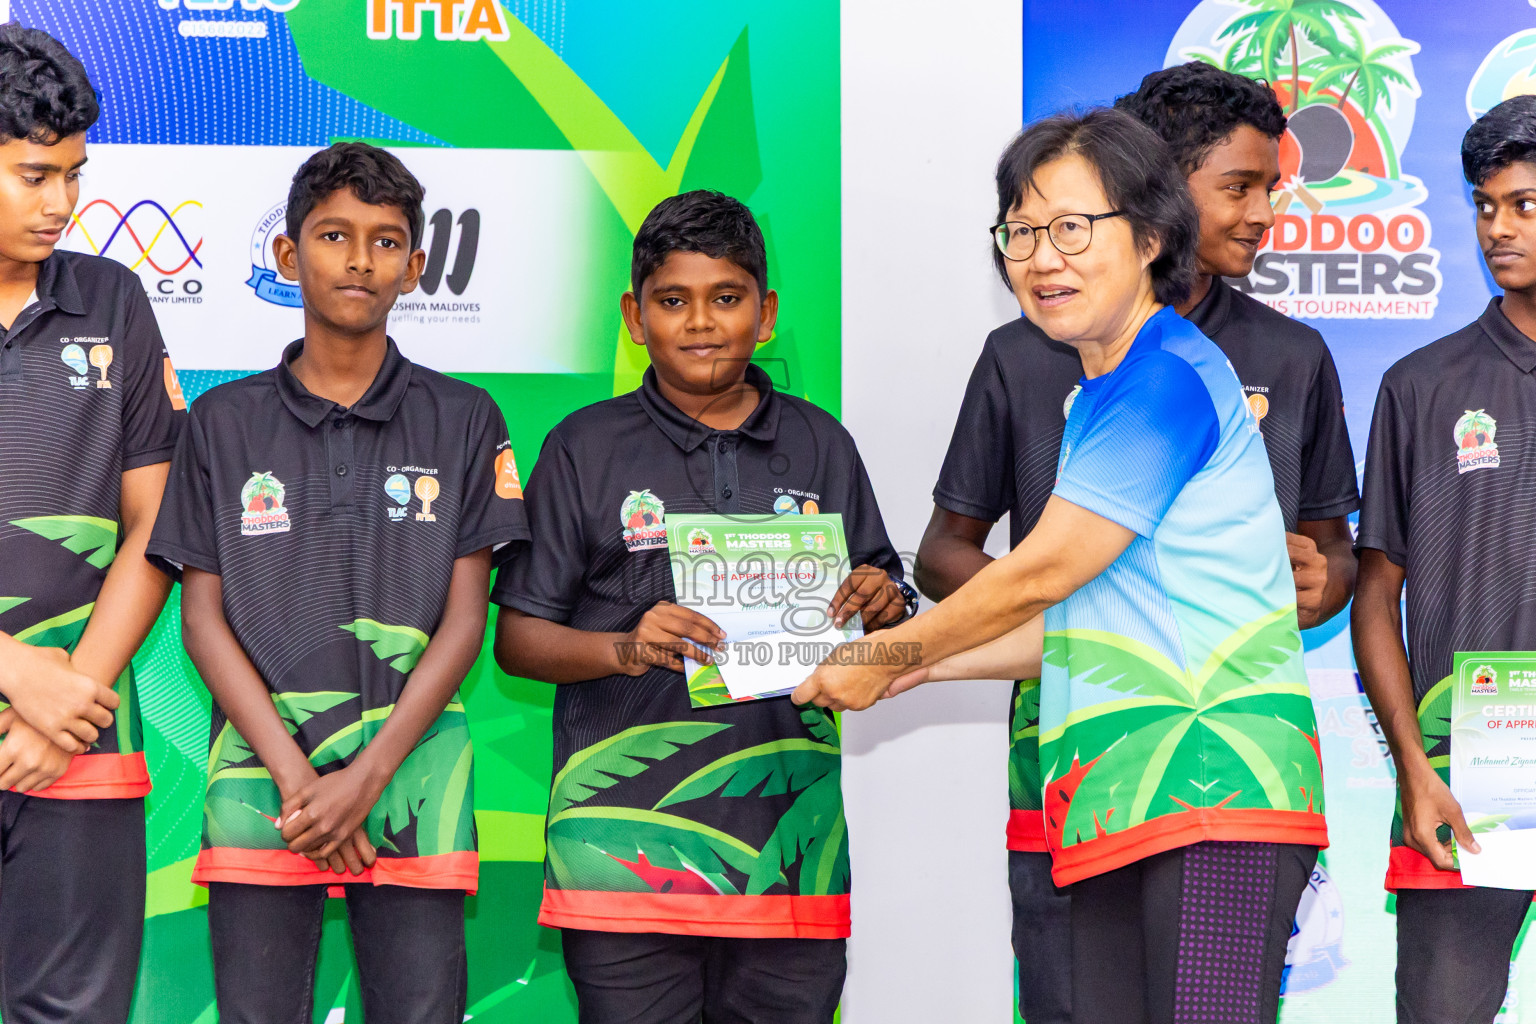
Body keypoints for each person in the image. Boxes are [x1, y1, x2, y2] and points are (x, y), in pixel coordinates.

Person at [797, 108, 1327, 1024]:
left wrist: (881, 657)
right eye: (1022, 231)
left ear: (1153, 236)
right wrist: (914, 670)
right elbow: (1086, 629)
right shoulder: (1100, 397)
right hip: (1119, 805)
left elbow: (1042, 571)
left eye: (1074, 228)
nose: (1044, 258)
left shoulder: (1164, 379)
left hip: (1215, 794)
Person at [493, 189, 913, 1024]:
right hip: (622, 858)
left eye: (726, 298)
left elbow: (887, 600)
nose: (700, 323)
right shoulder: (584, 446)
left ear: (766, 314)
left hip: (790, 853)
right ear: (633, 315)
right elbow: (518, 640)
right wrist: (624, 647)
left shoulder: (821, 442)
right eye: (672, 300)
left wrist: (884, 603)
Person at [145, 142, 529, 1024]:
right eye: (334, 235)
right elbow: (201, 620)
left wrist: (368, 776)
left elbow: (466, 622)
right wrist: (297, 778)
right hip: (260, 789)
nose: (360, 260)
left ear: (416, 266)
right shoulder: (222, 421)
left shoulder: (466, 419)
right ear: (288, 255)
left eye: (386, 241)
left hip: (416, 786)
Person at [0, 24, 186, 1024]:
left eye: (73, 174)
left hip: (76, 733)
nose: (63, 203)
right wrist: (13, 670)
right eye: (34, 175)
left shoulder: (112, 299)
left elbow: (155, 518)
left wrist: (67, 689)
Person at [1353, 93, 1536, 1024]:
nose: (1499, 228)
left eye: (1526, 205)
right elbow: (1375, 597)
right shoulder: (1420, 386)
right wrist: (1410, 769)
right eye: (1485, 204)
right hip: (1467, 772)